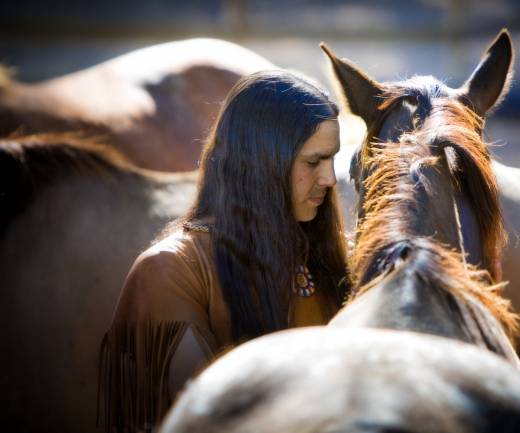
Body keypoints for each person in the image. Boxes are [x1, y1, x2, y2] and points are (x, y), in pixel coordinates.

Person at [98, 70, 350, 433]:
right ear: (260, 162)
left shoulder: (330, 257)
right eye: (313, 162)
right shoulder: (171, 271)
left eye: (332, 160)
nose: (329, 178)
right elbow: (207, 417)